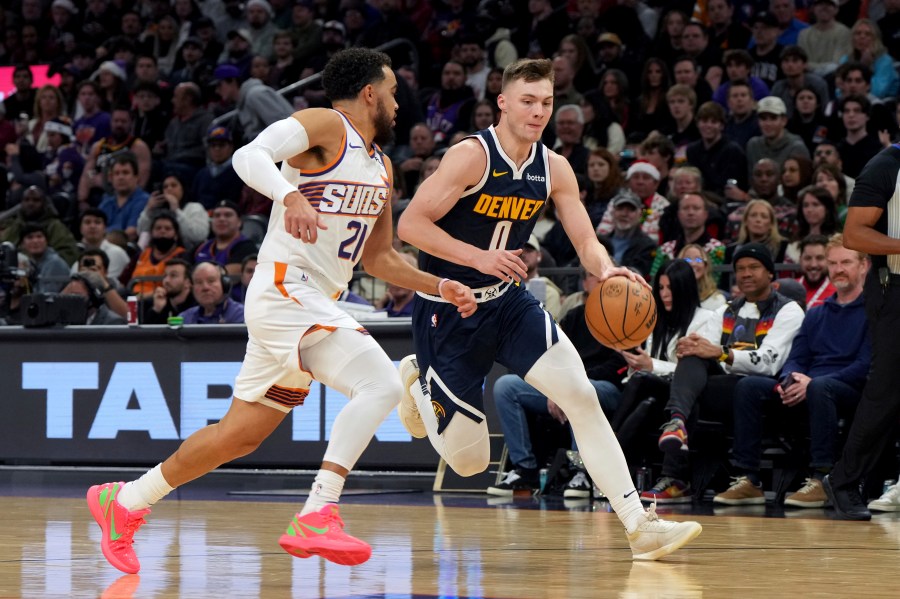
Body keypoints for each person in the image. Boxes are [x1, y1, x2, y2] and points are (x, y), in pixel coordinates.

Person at [86, 48, 477, 574]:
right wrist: (288, 195)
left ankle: (126, 501)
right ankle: (319, 510)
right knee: (380, 384)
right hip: (284, 289)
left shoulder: (382, 165)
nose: (398, 102)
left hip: (312, 303)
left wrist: (439, 284)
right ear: (369, 93)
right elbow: (249, 155)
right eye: (392, 91)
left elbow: (380, 258)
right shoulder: (324, 126)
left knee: (238, 436)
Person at [396, 57, 702, 561]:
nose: (538, 112)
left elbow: (585, 235)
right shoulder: (471, 156)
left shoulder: (553, 166)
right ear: (502, 102)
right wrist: (480, 258)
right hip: (451, 308)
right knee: (469, 462)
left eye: (546, 103)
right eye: (527, 101)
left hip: (510, 304)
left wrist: (606, 270)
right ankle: (418, 380)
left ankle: (637, 525)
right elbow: (411, 226)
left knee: (581, 396)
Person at [714, 233, 869, 507]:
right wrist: (790, 379)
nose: (838, 269)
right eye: (833, 263)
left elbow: (864, 366)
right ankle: (749, 479)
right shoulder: (817, 313)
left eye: (846, 262)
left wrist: (810, 382)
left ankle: (822, 478)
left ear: (864, 266)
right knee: (749, 386)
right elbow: (796, 358)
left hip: (848, 390)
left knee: (821, 387)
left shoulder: (874, 312)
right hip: (807, 385)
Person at [642, 243, 805, 503]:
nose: (746, 274)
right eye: (740, 269)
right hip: (724, 386)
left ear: (770, 273)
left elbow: (768, 362)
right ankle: (676, 424)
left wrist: (721, 352)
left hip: (766, 389)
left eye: (754, 267)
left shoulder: (788, 309)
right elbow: (701, 347)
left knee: (705, 384)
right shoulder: (728, 309)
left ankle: (679, 477)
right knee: (691, 360)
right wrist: (691, 346)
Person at [822, 140, 900, 520]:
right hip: (894, 289)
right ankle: (843, 481)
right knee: (885, 393)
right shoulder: (885, 166)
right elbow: (854, 235)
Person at [612, 260, 718, 460]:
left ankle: (608, 443)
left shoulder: (707, 318)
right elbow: (645, 366)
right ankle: (615, 456)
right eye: (660, 287)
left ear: (685, 289)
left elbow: (696, 369)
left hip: (689, 394)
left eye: (671, 288)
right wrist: (638, 363)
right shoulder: (654, 319)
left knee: (642, 379)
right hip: (655, 392)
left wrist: (651, 365)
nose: (664, 294)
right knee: (647, 402)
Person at [193, 200, 257, 276]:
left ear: (239, 222)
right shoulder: (201, 247)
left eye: (228, 215)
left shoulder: (247, 247)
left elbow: (231, 273)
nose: (221, 219)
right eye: (217, 215)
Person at [178, 261, 245, 324]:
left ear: (224, 284)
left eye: (211, 281)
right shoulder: (185, 318)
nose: (205, 287)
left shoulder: (243, 315)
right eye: (198, 282)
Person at [139, 258, 197, 324]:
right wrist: (157, 310)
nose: (166, 280)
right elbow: (146, 333)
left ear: (188, 282)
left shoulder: (197, 305)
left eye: (173, 275)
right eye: (165, 275)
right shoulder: (156, 303)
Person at [678, 244, 727, 310]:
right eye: (687, 259)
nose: (693, 264)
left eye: (698, 260)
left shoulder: (717, 300)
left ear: (705, 266)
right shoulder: (670, 297)